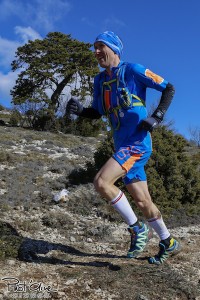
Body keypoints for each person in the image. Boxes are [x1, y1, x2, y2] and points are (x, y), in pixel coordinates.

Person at [66, 31, 181, 264]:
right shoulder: (100, 81)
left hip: (137, 143)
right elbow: (98, 111)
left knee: (101, 182)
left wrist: (156, 116)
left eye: (101, 46)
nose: (96, 51)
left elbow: (169, 88)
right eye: (94, 47)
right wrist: (81, 111)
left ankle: (137, 229)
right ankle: (168, 241)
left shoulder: (133, 70)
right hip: (121, 144)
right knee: (142, 201)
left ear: (114, 49)